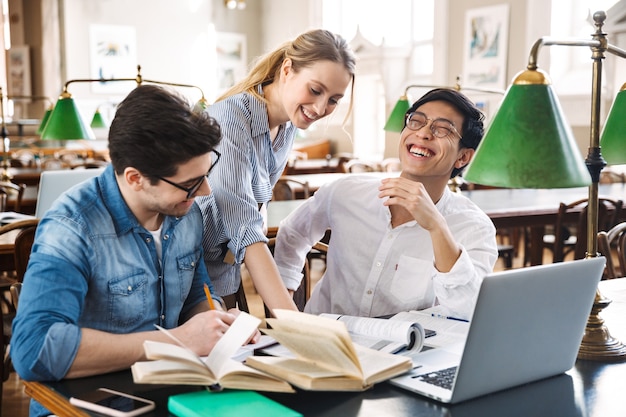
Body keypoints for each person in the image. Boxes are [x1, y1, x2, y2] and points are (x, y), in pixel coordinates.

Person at [11, 85, 257, 417]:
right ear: (135, 178)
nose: (204, 192)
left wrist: (222, 327)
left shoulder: (186, 215)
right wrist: (178, 341)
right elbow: (34, 351)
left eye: (205, 175)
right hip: (83, 407)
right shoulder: (72, 226)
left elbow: (198, 297)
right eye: (189, 184)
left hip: (167, 395)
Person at [273, 88, 499, 320]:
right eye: (416, 121)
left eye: (442, 129)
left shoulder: (474, 226)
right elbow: (293, 233)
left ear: (463, 157)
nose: (423, 133)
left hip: (403, 352)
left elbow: (469, 310)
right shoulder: (346, 192)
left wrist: (436, 225)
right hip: (323, 340)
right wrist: (285, 300)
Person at [197, 29, 356, 313]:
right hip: (189, 276)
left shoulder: (287, 127)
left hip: (224, 273)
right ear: (287, 70)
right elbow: (244, 223)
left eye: (334, 99)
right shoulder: (231, 119)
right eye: (315, 90)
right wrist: (291, 320)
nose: (320, 108)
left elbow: (255, 215)